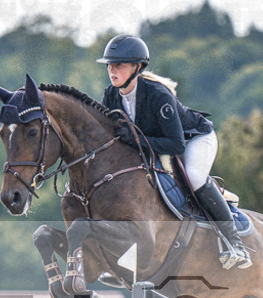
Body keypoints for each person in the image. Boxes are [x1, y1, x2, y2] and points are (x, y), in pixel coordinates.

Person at [97, 34, 251, 270]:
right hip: (157, 143)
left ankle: (236, 244)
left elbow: (176, 144)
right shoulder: (111, 95)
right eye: (110, 65)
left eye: (119, 65)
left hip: (194, 138)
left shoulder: (157, 95)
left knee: (195, 177)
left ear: (137, 67)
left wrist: (138, 139)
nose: (112, 70)